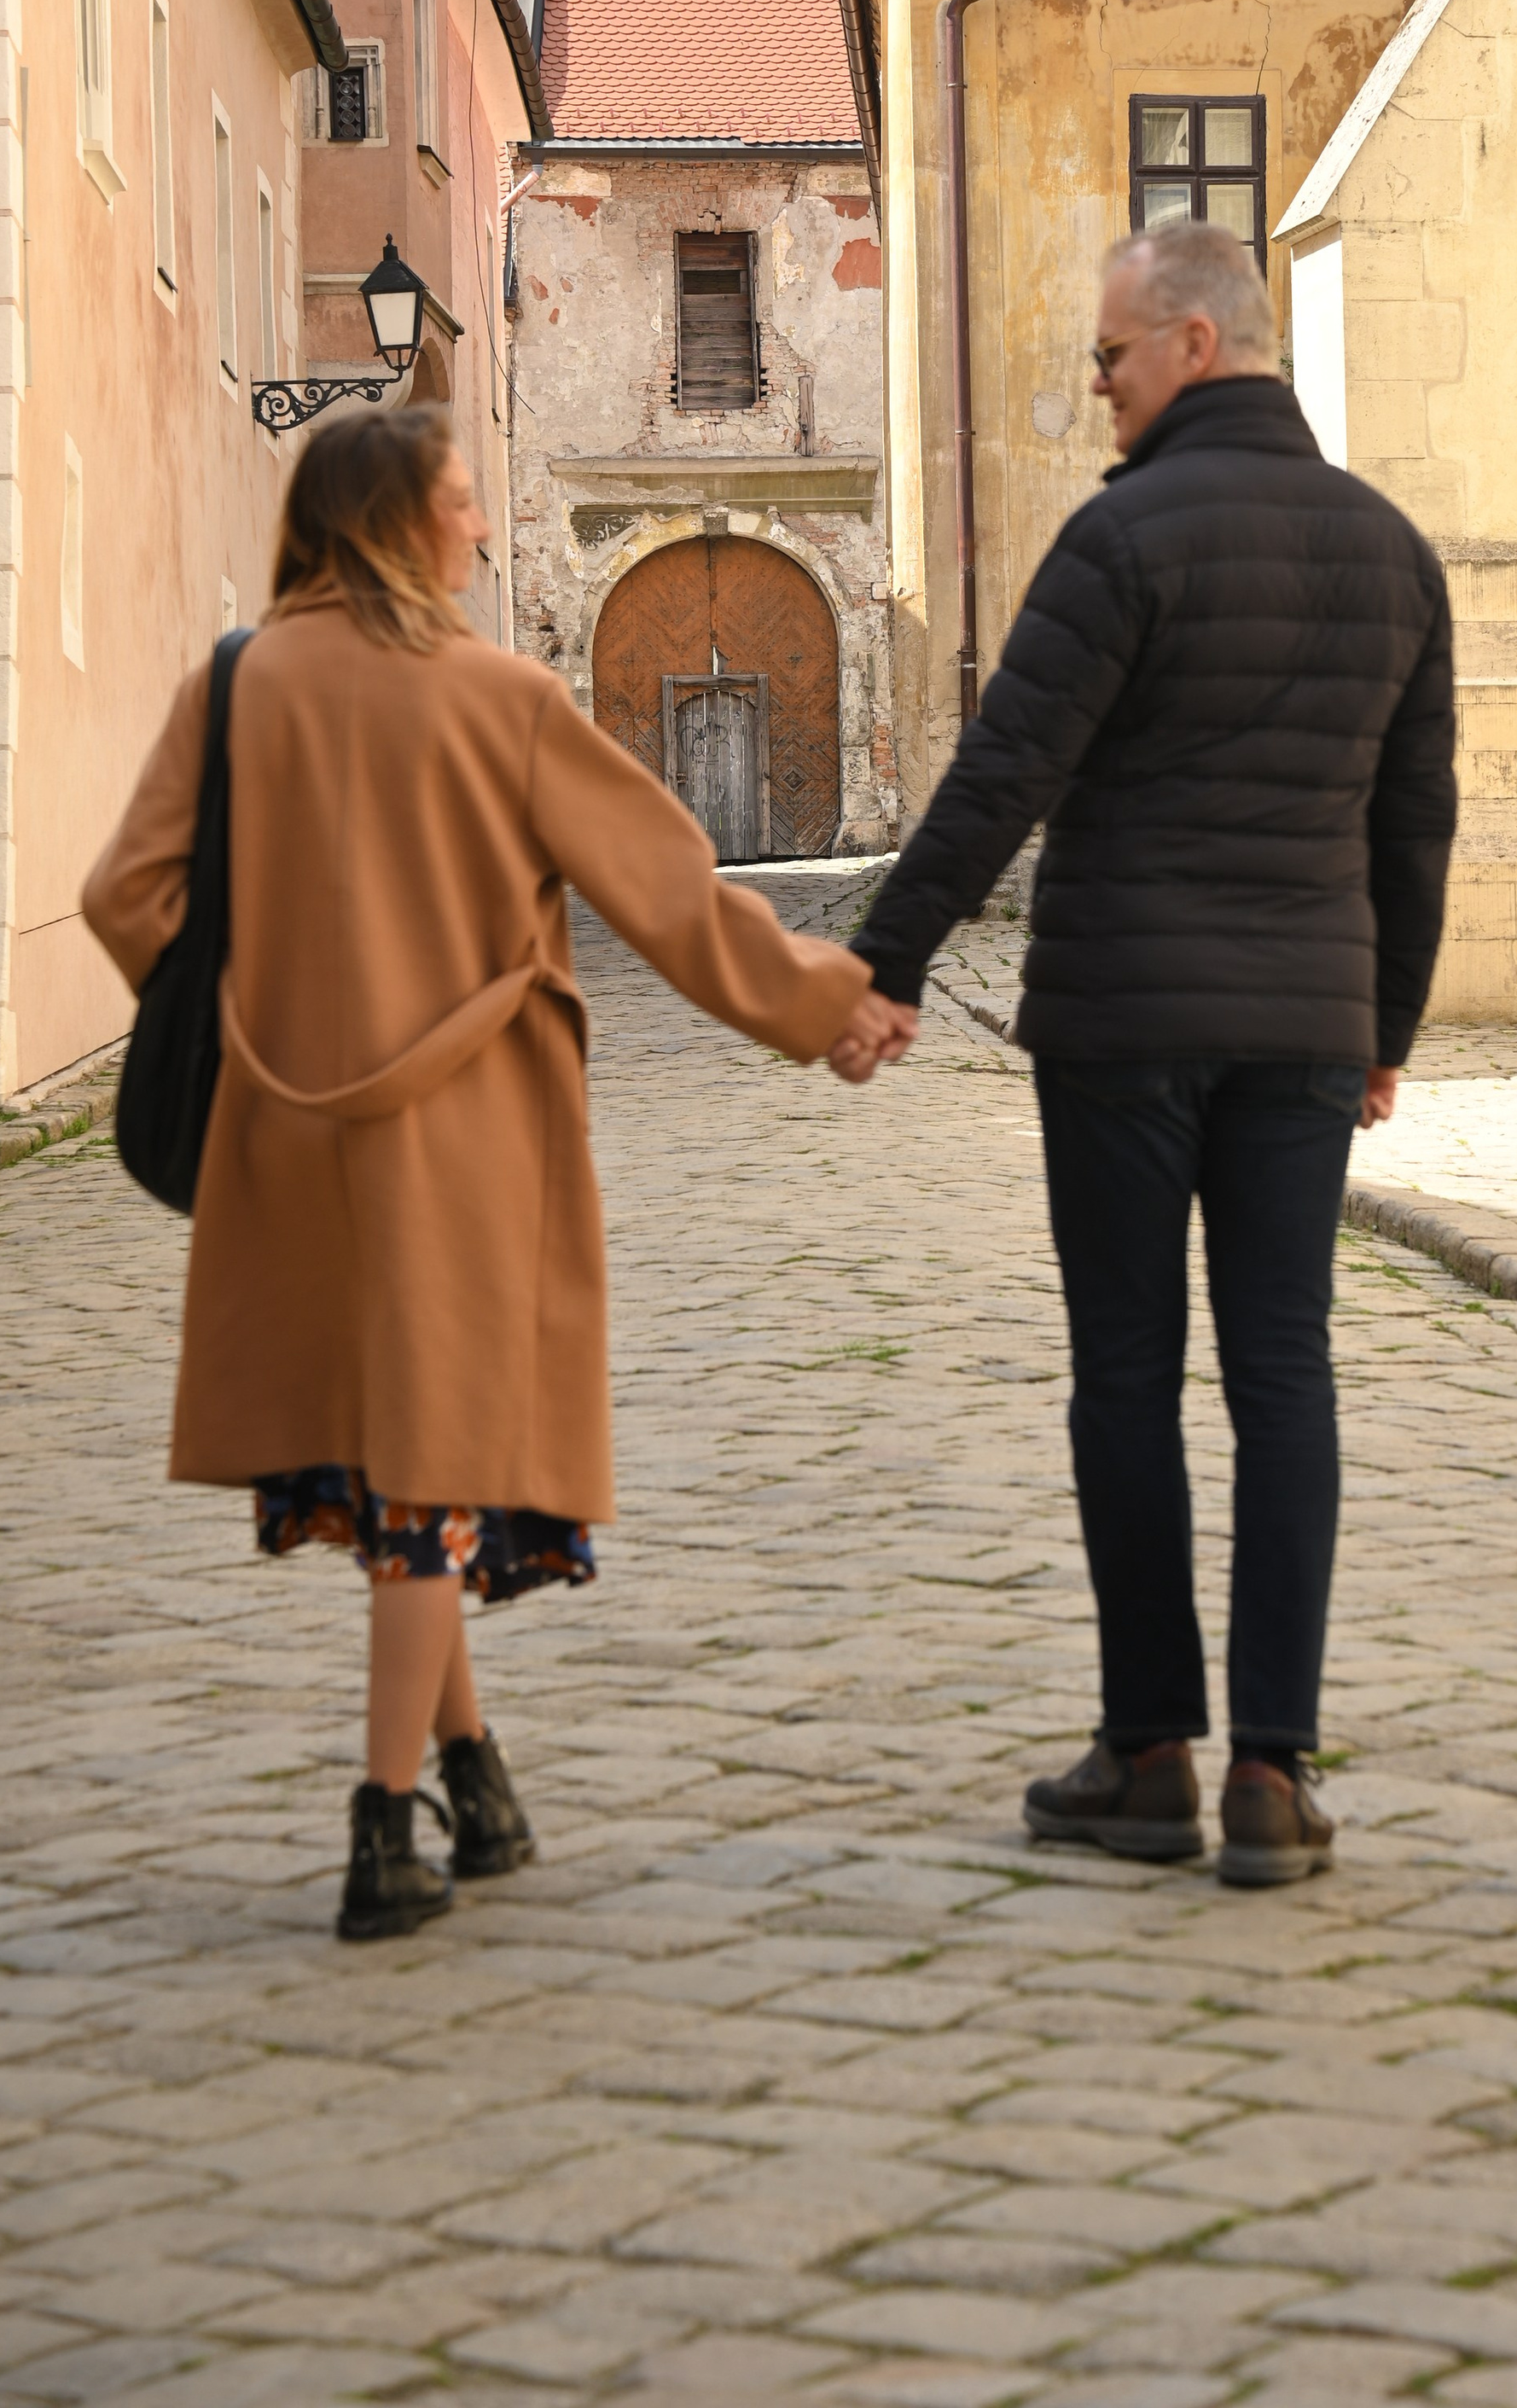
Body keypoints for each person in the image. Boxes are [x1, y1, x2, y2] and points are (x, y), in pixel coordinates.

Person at [84, 407, 906, 1941]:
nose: (475, 528)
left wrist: (256, 1014)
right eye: (460, 506)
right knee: (431, 1474)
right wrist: (821, 1006)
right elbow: (674, 902)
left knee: (402, 1467)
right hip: (459, 1150)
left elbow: (125, 895)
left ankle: (472, 1768)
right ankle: (385, 1829)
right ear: (400, 521)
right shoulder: (500, 699)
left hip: (285, 1150)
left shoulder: (235, 686)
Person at [841, 224, 1456, 1885]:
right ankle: (1270, 1767)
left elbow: (1002, 770)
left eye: (1110, 355)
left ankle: (1146, 1751)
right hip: (1303, 1030)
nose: (1096, 385)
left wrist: (885, 957)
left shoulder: (1119, 541)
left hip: (1120, 1020)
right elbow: (1414, 826)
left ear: (1191, 342)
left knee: (1126, 1372)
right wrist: (1381, 1026)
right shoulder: (1388, 550)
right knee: (1284, 1374)